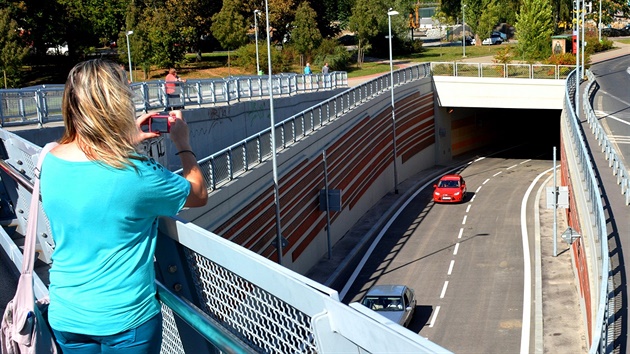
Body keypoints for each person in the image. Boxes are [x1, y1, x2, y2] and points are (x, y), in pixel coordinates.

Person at [40, 59, 208, 353]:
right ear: (116, 105)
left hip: (67, 314)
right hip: (125, 321)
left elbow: (88, 159)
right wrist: (183, 143)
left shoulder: (50, 160)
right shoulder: (136, 174)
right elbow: (197, 193)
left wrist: (125, 137)